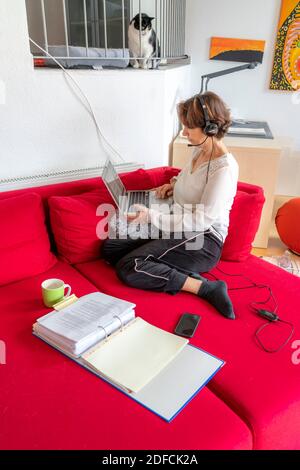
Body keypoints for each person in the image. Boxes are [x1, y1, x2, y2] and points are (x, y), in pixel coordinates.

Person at [101, 92, 239, 319]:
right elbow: (188, 178)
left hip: (203, 239)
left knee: (129, 266)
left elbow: (201, 220)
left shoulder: (223, 170)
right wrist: (172, 185)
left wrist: (151, 217)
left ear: (210, 129)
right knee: (111, 248)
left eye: (189, 128)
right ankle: (171, 266)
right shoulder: (199, 150)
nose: (184, 133)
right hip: (177, 222)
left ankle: (205, 287)